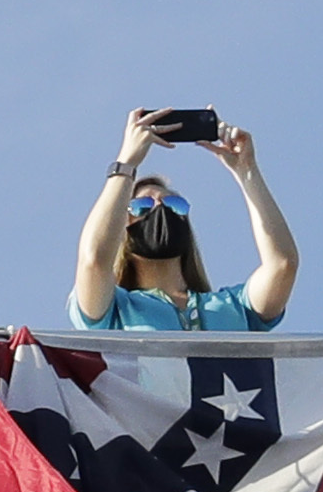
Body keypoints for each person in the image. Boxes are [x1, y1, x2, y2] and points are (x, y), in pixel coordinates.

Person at [73, 109, 298, 331]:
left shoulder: (234, 306)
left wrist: (247, 170)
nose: (161, 209)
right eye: (143, 206)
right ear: (120, 228)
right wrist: (126, 163)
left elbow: (282, 265)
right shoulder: (114, 309)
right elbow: (94, 260)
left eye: (174, 204)